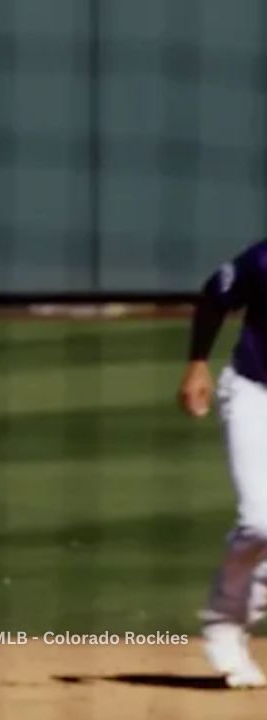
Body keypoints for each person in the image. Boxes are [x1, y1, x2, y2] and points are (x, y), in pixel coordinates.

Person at [179, 237, 267, 688]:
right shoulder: (263, 257)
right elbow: (216, 295)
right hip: (255, 394)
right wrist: (197, 364)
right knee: (259, 522)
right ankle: (225, 620)